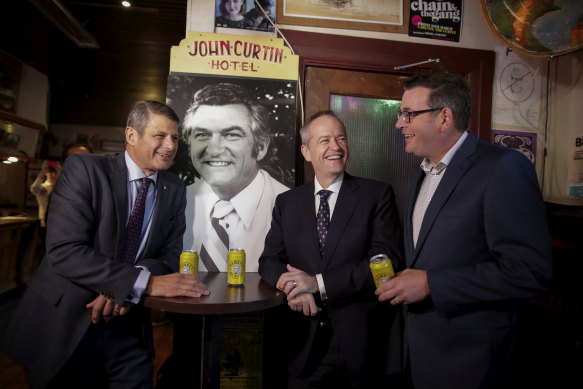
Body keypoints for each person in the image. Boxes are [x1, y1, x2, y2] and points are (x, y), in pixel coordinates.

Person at [2, 100, 210, 389]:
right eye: (160, 135)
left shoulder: (173, 188)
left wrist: (126, 285)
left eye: (174, 137)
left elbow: (169, 253)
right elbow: (64, 251)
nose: (170, 144)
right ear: (131, 135)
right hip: (65, 326)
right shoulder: (85, 169)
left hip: (127, 325)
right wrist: (144, 283)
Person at [376, 72, 553, 389]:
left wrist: (432, 283)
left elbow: (530, 271)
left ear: (444, 117)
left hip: (471, 362)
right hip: (419, 355)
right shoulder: (421, 174)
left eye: (408, 115)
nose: (399, 124)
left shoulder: (504, 167)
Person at [259, 110, 404, 388]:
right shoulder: (287, 202)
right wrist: (292, 286)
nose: (335, 147)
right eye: (325, 140)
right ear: (306, 151)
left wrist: (317, 284)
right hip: (303, 344)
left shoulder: (377, 195)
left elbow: (388, 261)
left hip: (362, 344)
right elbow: (269, 260)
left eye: (341, 139)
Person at [181, 82, 289, 272]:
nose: (214, 150)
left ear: (261, 147)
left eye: (231, 134)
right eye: (202, 135)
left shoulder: (291, 209)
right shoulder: (177, 202)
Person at [29, 160, 60, 229]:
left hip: (59, 223)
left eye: (55, 173)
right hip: (44, 223)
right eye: (50, 172)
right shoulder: (43, 187)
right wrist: (43, 171)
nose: (52, 175)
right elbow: (34, 189)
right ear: (46, 173)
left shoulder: (61, 187)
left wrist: (60, 172)